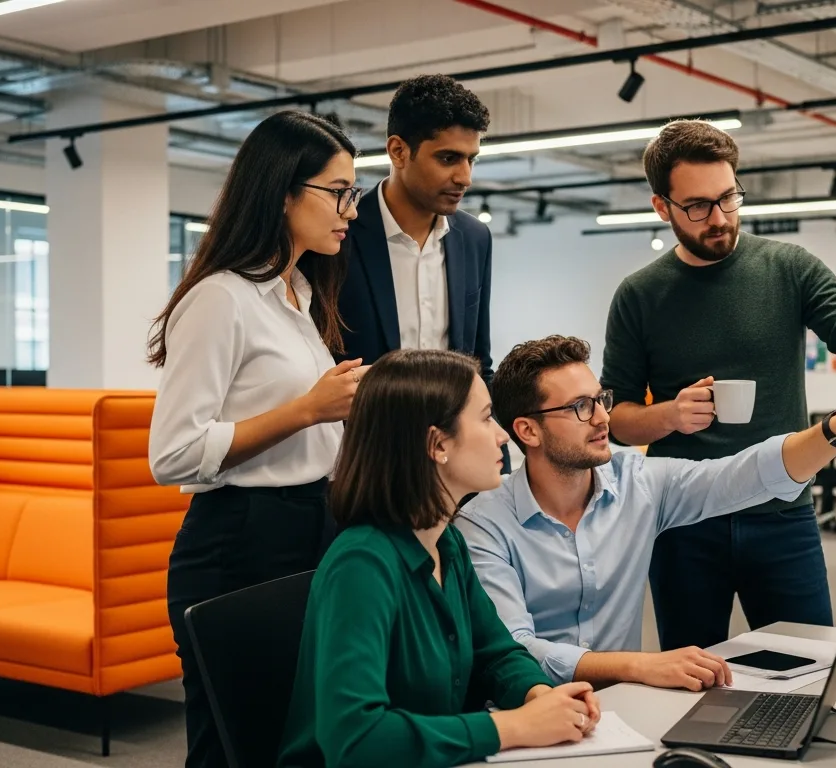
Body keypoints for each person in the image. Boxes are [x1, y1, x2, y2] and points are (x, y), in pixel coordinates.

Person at [601, 119, 836, 652]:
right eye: (697, 206)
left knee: (809, 665)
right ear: (661, 207)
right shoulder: (639, 295)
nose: (719, 219)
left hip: (783, 515)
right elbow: (616, 421)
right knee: (689, 675)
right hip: (684, 525)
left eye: (728, 198)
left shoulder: (788, 269)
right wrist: (669, 415)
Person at [456, 336, 836, 689]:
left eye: (599, 400)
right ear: (528, 431)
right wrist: (637, 664)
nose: (604, 418)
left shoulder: (636, 482)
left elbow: (741, 475)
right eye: (581, 407)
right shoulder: (484, 523)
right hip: (530, 715)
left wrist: (835, 430)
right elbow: (514, 648)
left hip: (627, 706)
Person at [148, 110, 368, 768]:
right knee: (234, 743)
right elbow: (173, 453)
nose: (350, 212)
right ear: (282, 191)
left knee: (292, 736)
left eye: (353, 195)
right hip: (241, 537)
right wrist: (308, 409)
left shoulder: (298, 291)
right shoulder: (222, 298)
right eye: (339, 193)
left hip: (310, 523)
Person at [279, 349, 602, 768]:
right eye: (486, 418)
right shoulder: (361, 565)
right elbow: (356, 740)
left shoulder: (446, 542)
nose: (502, 436)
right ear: (438, 444)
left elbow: (496, 654)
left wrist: (540, 696)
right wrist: (515, 727)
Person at [337, 74, 494, 378]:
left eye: (471, 160)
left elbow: (478, 362)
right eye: (448, 158)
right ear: (398, 151)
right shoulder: (340, 233)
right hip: (360, 424)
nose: (465, 177)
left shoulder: (475, 239)